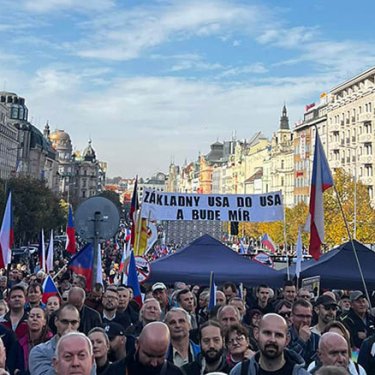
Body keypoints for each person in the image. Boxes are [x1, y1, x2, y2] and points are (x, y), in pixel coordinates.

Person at [230, 313, 310, 375]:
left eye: (278, 335)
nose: (272, 340)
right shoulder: (240, 372)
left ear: (287, 340)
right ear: (256, 334)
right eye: (267, 333)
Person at [108, 321, 183, 374]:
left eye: (160, 356)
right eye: (149, 355)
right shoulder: (114, 371)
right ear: (137, 344)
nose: (154, 363)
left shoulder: (176, 373)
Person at [29, 304, 82, 375]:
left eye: (74, 322)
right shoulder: (39, 351)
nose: (69, 327)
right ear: (56, 321)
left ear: (79, 323)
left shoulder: (86, 352)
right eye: (64, 322)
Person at [19, 307, 53, 371]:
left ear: (44, 322)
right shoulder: (20, 343)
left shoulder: (51, 343)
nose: (34, 319)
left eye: (38, 316)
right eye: (31, 316)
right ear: (27, 321)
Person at [288, 298, 320, 366]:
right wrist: (301, 341)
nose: (305, 320)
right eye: (301, 316)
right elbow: (288, 360)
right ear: (292, 316)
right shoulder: (285, 336)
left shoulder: (317, 339)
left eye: (308, 316)